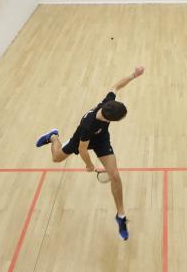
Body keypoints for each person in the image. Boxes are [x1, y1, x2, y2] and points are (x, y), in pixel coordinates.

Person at [35, 66, 145, 240]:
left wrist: (133, 75)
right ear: (110, 119)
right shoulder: (88, 126)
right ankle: (54, 137)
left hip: (101, 140)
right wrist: (89, 165)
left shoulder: (107, 104)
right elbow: (82, 149)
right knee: (56, 158)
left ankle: (121, 216)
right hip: (81, 141)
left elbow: (115, 86)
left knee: (115, 175)